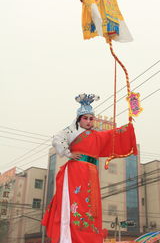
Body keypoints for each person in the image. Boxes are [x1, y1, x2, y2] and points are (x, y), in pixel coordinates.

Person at [42, 93, 138, 243]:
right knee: (76, 206)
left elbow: (113, 136)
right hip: (76, 171)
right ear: (79, 119)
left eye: (91, 118)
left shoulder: (97, 135)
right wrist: (68, 153)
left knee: (90, 209)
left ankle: (88, 237)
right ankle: (70, 237)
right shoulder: (72, 131)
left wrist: (128, 128)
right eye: (85, 118)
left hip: (91, 173)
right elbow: (57, 139)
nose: (88, 121)